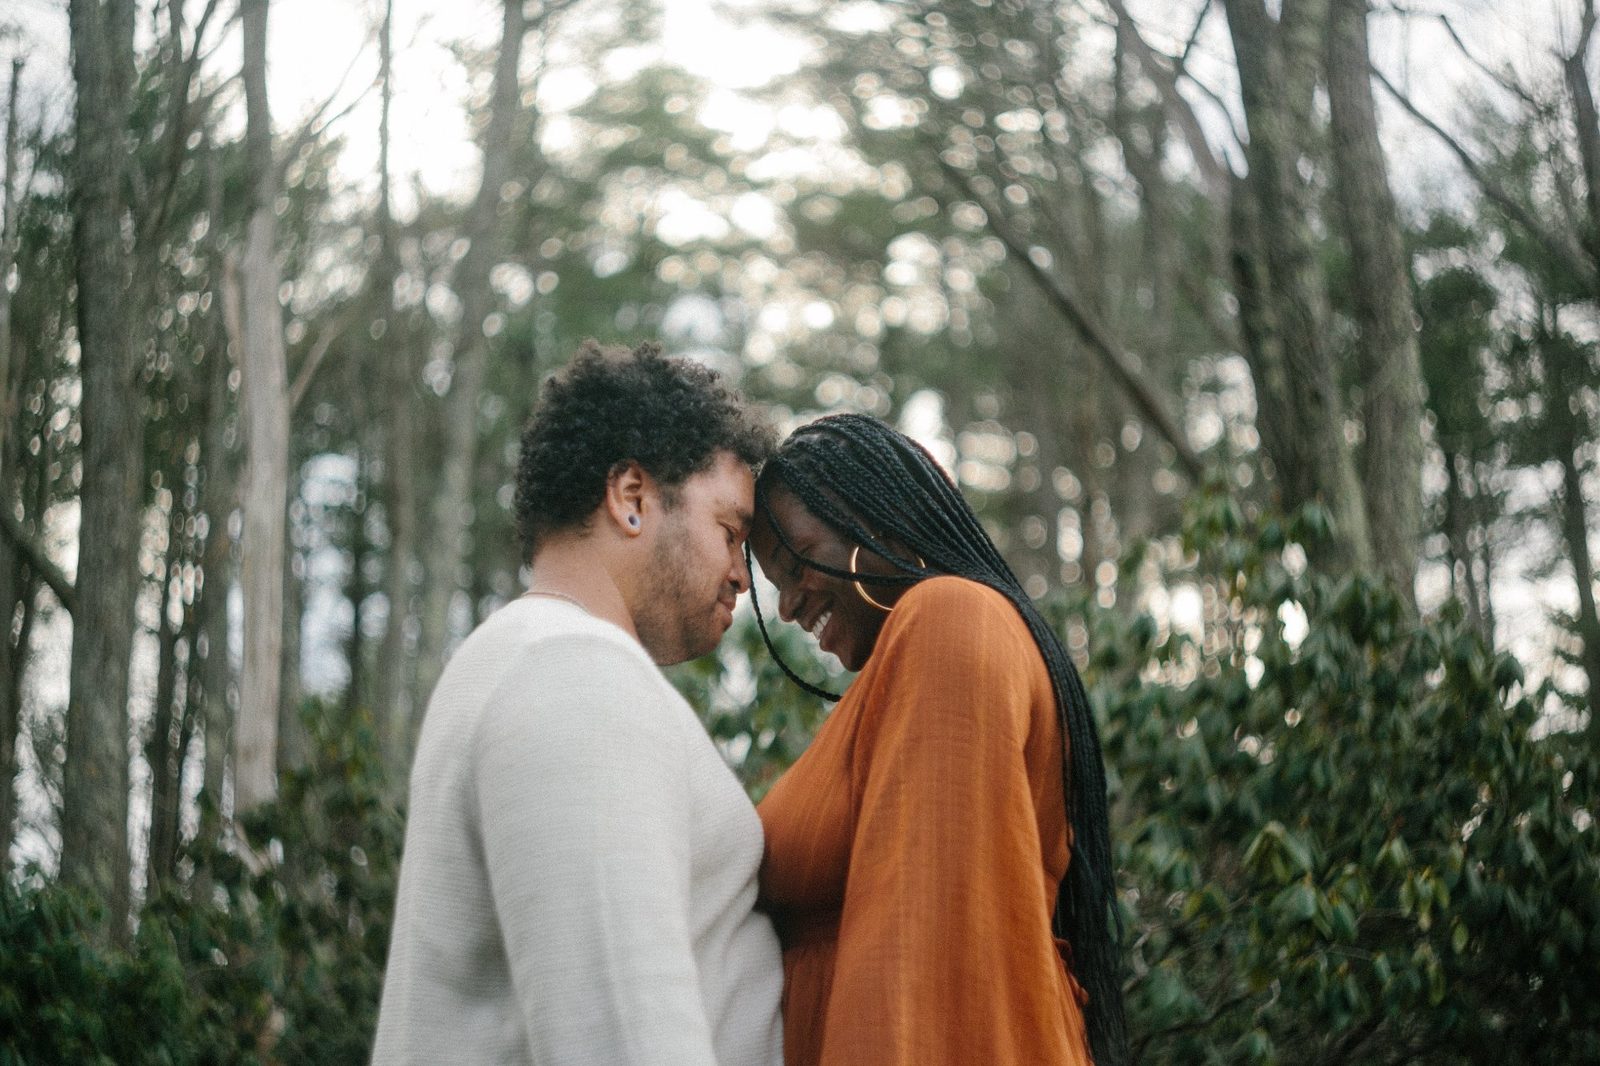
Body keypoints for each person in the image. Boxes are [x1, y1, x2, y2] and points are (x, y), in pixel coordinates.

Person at [372, 341, 784, 1066]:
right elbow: (620, 1030)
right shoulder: (575, 674)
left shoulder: (528, 659)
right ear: (631, 498)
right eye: (730, 532)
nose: (740, 576)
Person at [746, 413, 1129, 1066]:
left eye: (795, 563)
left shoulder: (951, 620)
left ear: (877, 519)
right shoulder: (897, 673)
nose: (785, 607)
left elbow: (924, 957)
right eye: (775, 584)